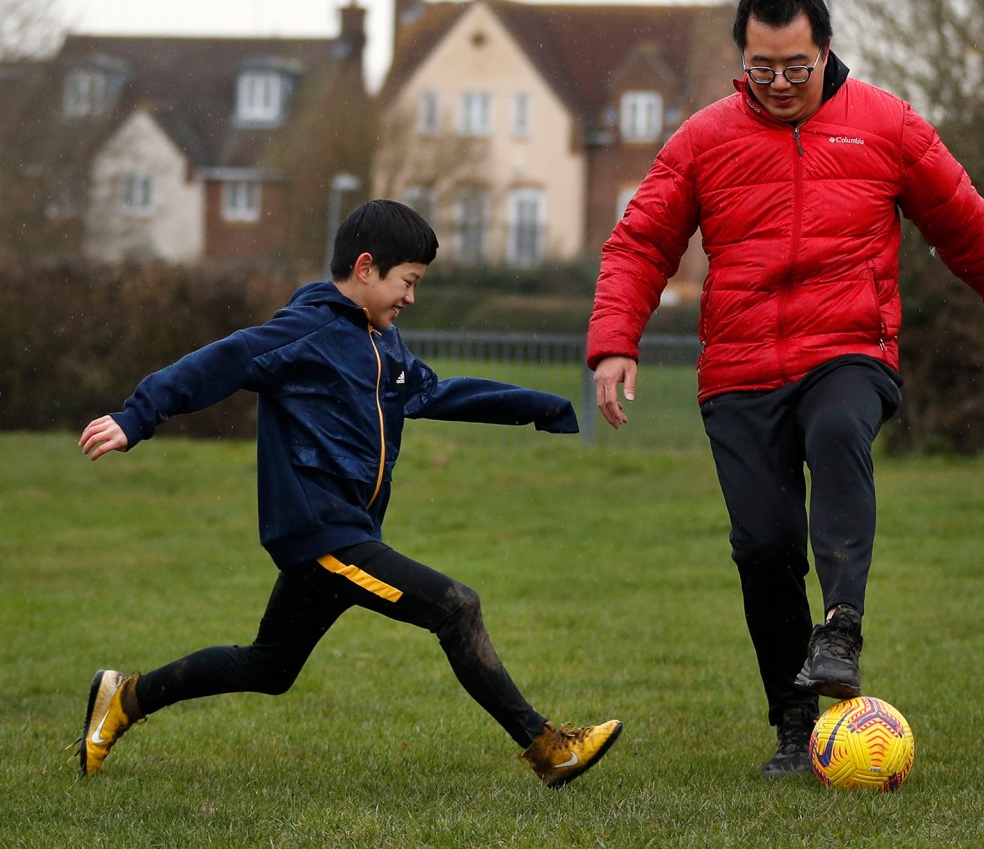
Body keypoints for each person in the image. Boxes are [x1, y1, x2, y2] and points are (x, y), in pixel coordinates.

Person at [587, 0, 984, 778]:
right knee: (763, 546)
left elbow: (968, 228)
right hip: (739, 370)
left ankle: (840, 625)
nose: (778, 84)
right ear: (744, 57)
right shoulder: (704, 139)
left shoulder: (886, 126)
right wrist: (614, 342)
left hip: (849, 348)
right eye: (763, 68)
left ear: (826, 50)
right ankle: (793, 727)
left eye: (795, 67)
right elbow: (639, 244)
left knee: (842, 427)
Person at [73, 200, 621, 787]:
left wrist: (542, 407)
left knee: (270, 665)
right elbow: (223, 361)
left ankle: (124, 698)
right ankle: (546, 748)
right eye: (406, 282)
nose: (411, 297)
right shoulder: (305, 332)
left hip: (346, 533)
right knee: (455, 605)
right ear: (366, 268)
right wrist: (138, 417)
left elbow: (441, 393)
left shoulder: (386, 346)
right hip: (321, 532)